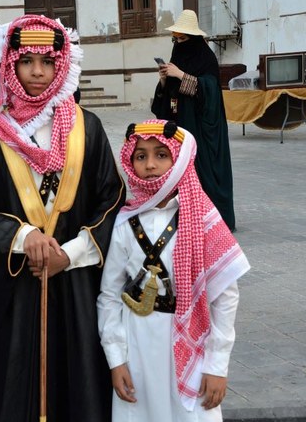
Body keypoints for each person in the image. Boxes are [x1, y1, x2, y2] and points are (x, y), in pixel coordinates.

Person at [0, 14, 125, 422]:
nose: (37, 71)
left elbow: (111, 199)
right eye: (27, 61)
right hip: (17, 284)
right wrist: (23, 236)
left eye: (48, 62)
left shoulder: (88, 127)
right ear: (10, 64)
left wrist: (69, 254)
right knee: (14, 384)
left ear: (61, 65)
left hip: (75, 283)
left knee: (80, 381)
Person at [97, 120, 250, 421]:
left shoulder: (203, 217)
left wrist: (216, 366)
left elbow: (225, 297)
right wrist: (116, 360)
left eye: (161, 155)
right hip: (137, 347)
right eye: (141, 156)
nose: (150, 164)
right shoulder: (124, 221)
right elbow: (109, 295)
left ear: (179, 160)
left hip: (191, 345)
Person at [151, 9, 236, 231]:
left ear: (194, 40)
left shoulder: (206, 59)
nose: (178, 43)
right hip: (180, 129)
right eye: (175, 39)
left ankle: (212, 221)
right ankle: (186, 219)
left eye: (183, 39)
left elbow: (211, 93)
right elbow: (163, 102)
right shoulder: (177, 56)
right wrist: (163, 81)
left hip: (201, 131)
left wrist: (181, 76)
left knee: (204, 174)